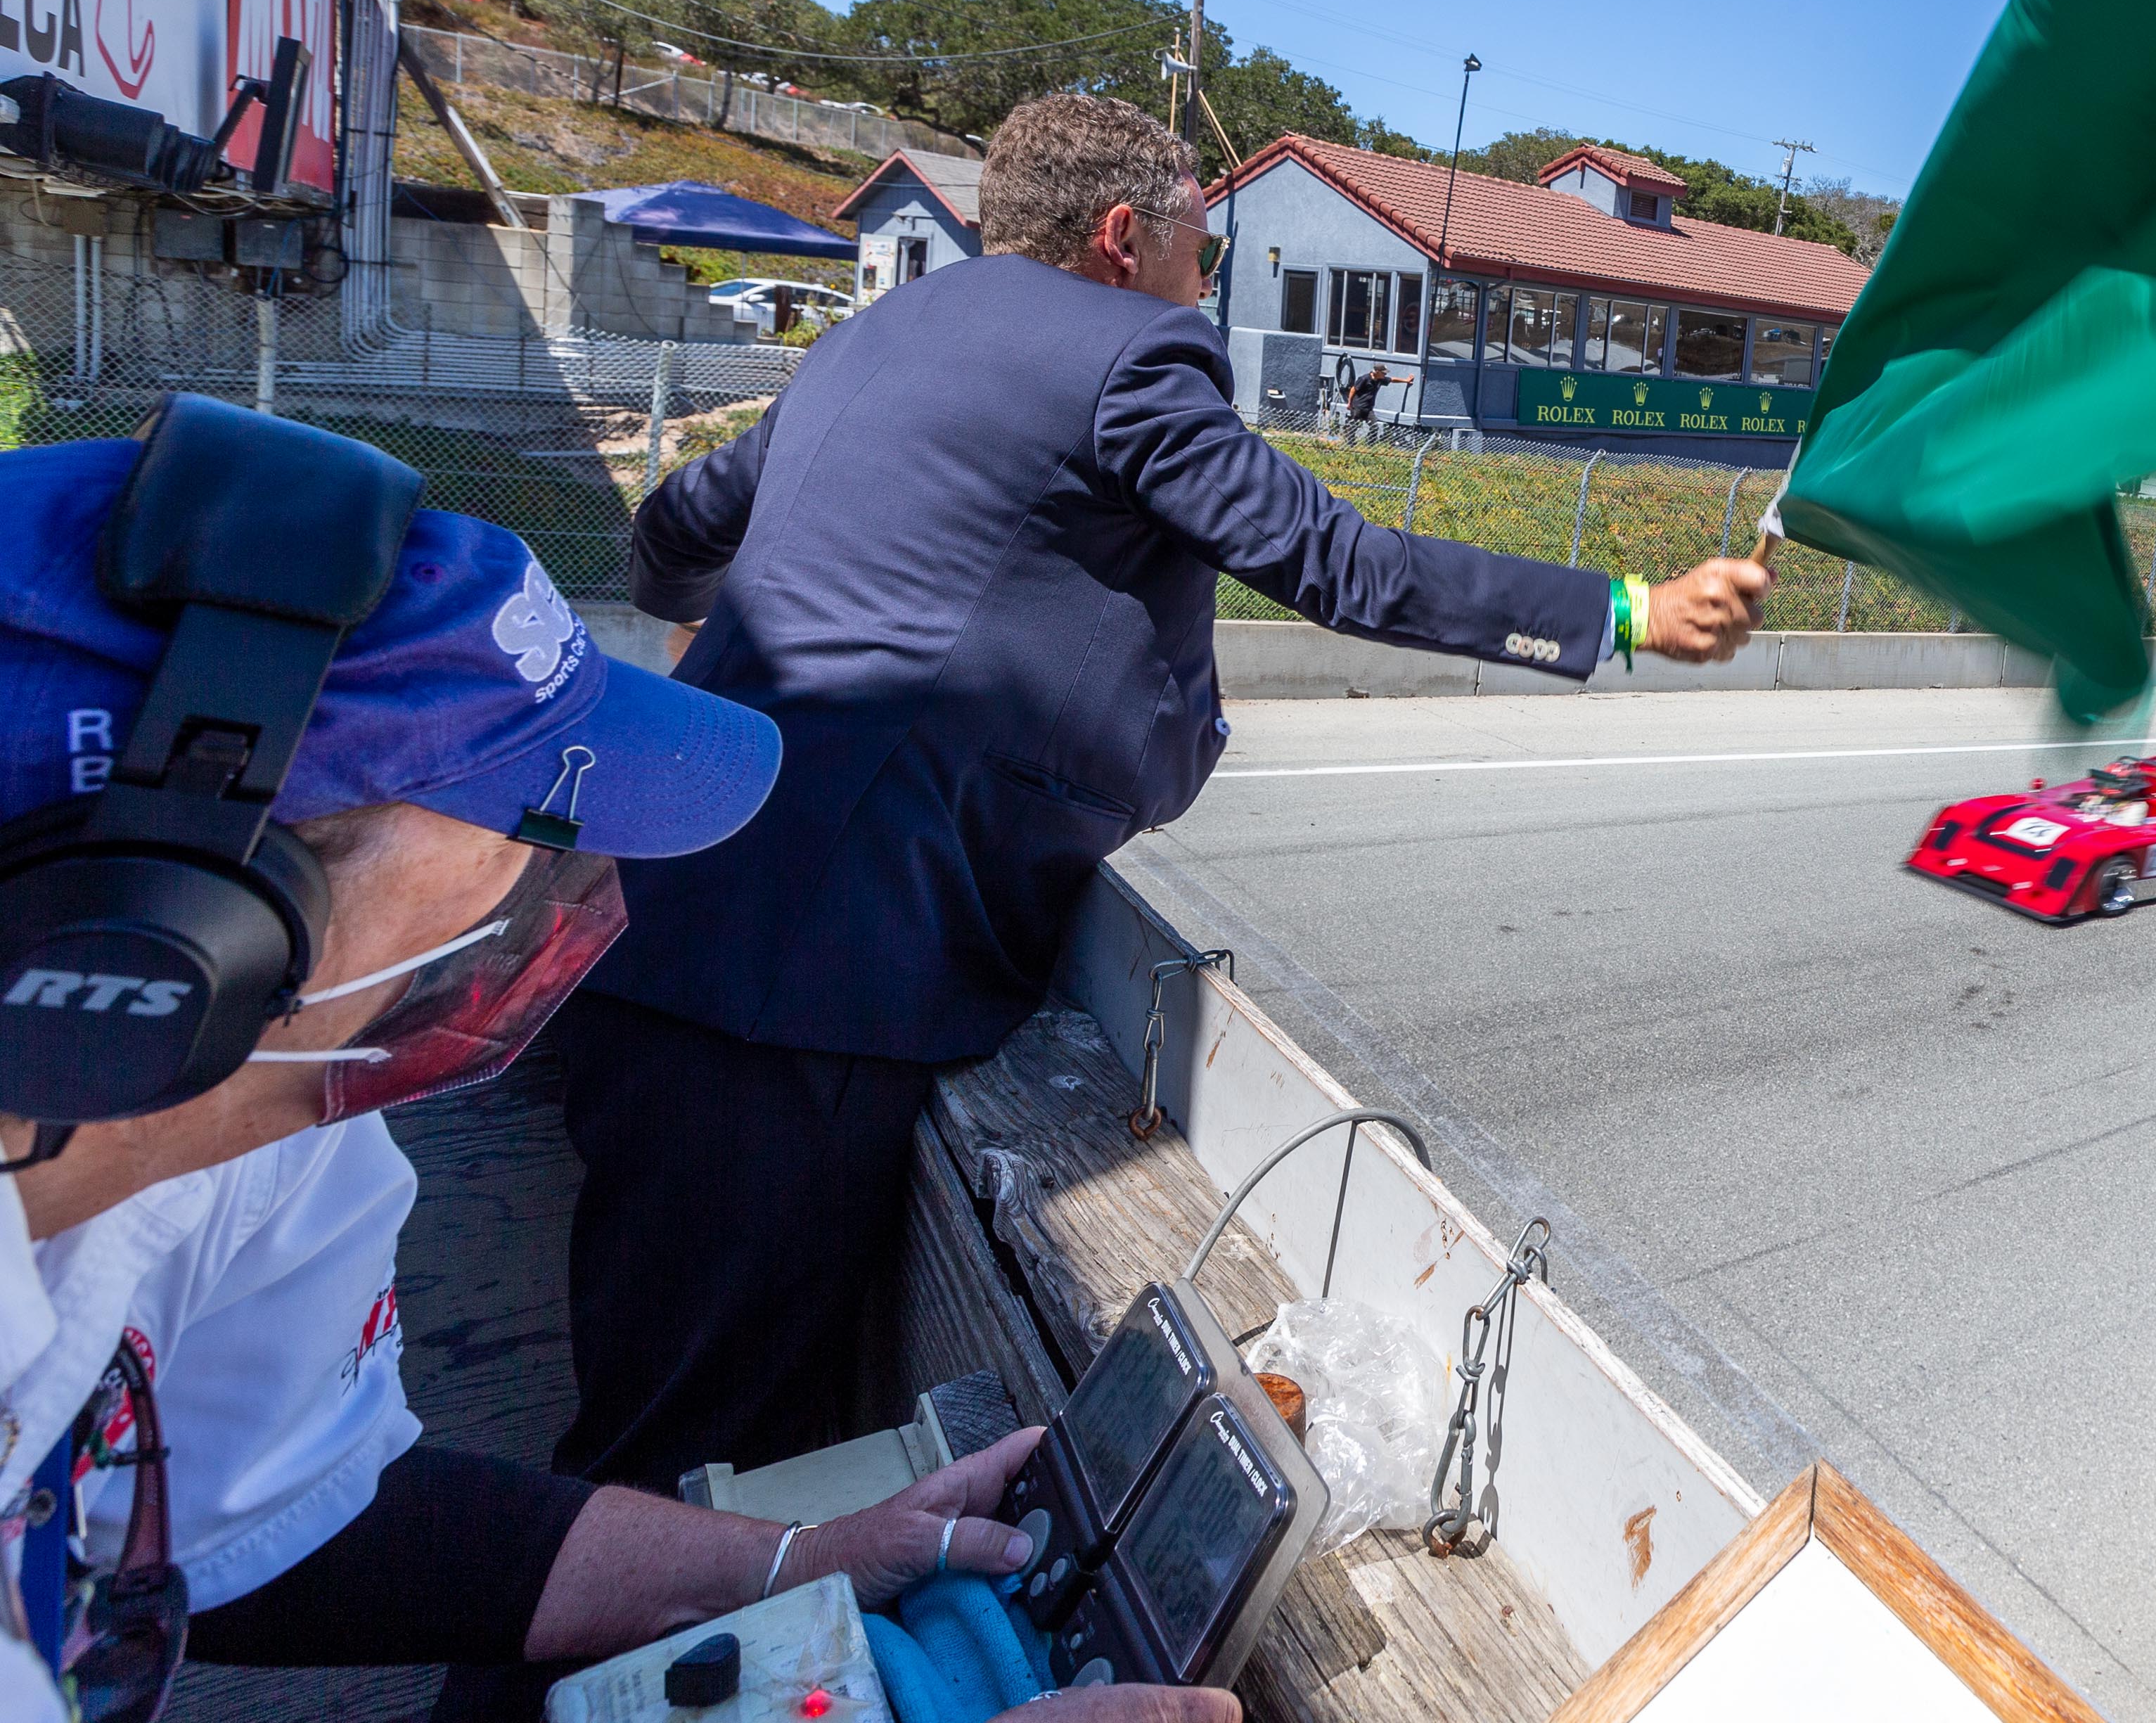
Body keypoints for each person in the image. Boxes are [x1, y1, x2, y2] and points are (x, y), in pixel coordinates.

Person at [558, 93, 1774, 1494]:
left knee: (673, 1437)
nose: (1212, 273)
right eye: (1209, 238)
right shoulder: (1131, 355)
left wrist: (725, 637)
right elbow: (1344, 566)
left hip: (654, 909)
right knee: (667, 1491)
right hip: (806, 985)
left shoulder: (873, 337)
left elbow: (672, 536)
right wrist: (1625, 605)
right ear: (1126, 235)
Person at [0, 402, 1231, 1723]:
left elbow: (298, 1525)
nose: (553, 899)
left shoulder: (263, 1135)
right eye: (517, 825)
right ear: (171, 934)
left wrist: (799, 1562)